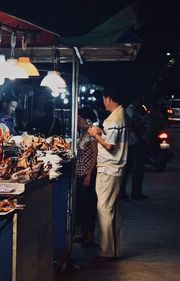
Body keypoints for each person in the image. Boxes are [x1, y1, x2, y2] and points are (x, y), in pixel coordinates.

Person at [88, 90, 128, 261]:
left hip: (109, 169)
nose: (103, 102)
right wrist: (101, 131)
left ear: (108, 98)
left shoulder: (113, 119)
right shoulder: (122, 115)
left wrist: (95, 135)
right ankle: (115, 250)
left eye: (104, 99)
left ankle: (106, 252)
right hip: (118, 169)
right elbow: (113, 139)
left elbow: (110, 146)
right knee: (114, 210)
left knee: (103, 209)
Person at [74, 106, 99, 248]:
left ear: (86, 120)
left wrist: (89, 175)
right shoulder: (84, 133)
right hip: (80, 172)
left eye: (78, 119)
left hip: (87, 174)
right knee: (83, 205)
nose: (77, 121)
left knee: (89, 204)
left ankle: (90, 235)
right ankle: (84, 233)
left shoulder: (92, 134)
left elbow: (95, 155)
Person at [121, 97, 147, 199]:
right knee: (134, 168)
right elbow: (132, 125)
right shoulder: (130, 110)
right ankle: (133, 193)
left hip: (132, 142)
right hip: (132, 142)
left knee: (129, 169)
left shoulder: (130, 111)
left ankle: (130, 192)